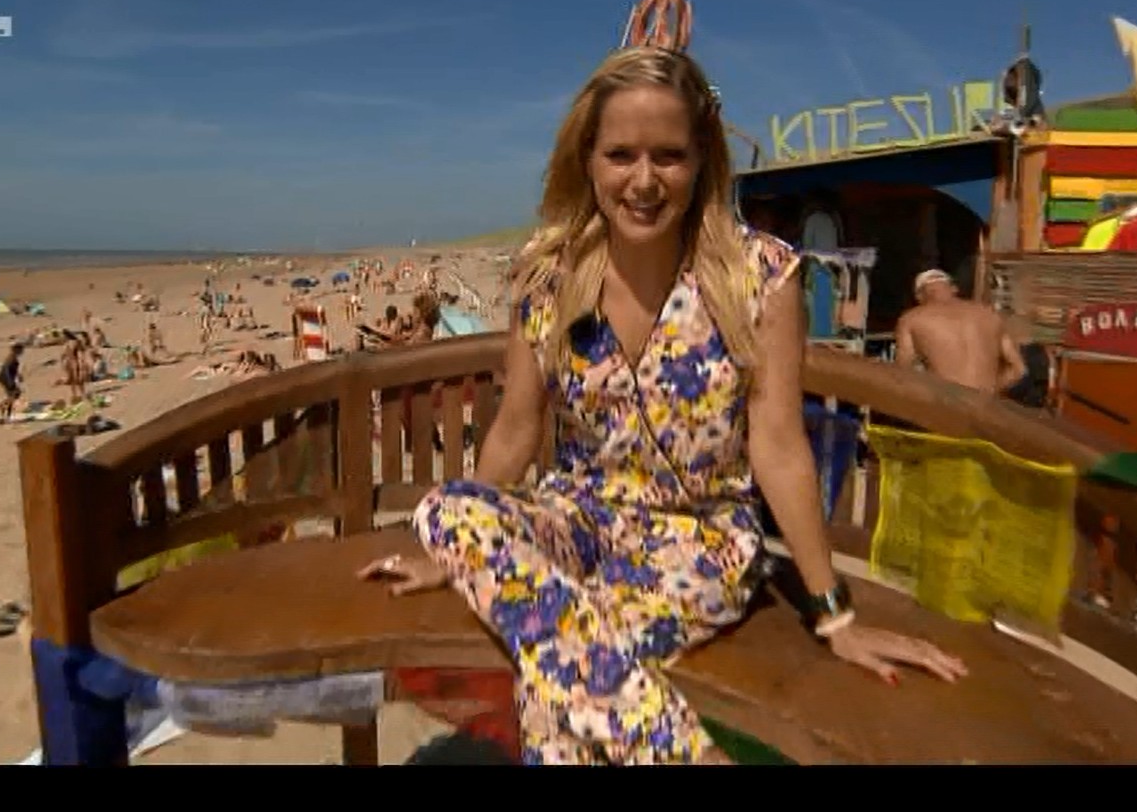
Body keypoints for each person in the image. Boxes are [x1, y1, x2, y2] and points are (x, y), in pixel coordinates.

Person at [358, 46, 966, 765]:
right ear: (588, 160)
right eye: (621, 155)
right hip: (576, 521)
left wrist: (835, 615)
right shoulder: (548, 278)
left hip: (696, 543)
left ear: (702, 159)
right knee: (444, 509)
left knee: (557, 685)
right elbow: (516, 429)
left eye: (669, 156)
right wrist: (457, 556)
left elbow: (778, 447)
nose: (643, 181)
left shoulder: (759, 278)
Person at [894, 269, 1026, 395]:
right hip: (987, 404)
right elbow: (1018, 369)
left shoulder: (912, 319)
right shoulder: (989, 314)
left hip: (947, 403)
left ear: (919, 296)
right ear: (954, 288)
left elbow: (903, 373)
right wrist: (990, 392)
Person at [0, 344, 24, 421]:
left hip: (7, 378)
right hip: (6, 379)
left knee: (15, 394)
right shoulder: (11, 358)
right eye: (21, 350)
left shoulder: (13, 358)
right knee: (13, 395)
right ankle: (5, 411)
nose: (22, 352)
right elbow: (6, 370)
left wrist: (18, 375)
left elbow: (13, 370)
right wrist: (10, 381)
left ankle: (7, 413)